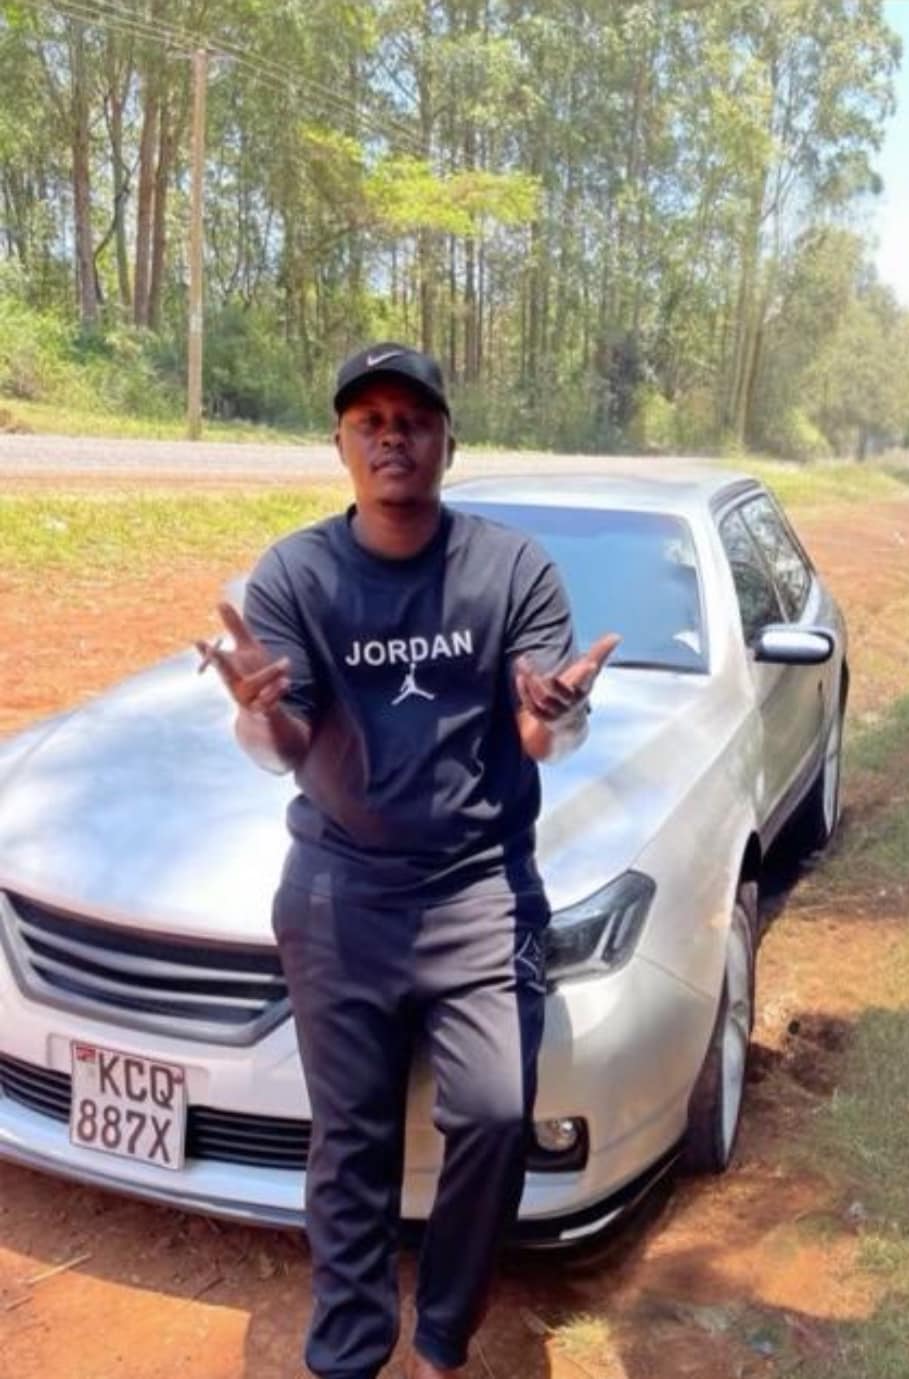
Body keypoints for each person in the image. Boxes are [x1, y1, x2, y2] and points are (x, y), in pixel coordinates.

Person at [194, 342, 618, 1379]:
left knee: (494, 1113)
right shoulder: (297, 574)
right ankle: (346, 1352)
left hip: (479, 886)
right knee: (351, 1138)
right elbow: (284, 745)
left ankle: (440, 1340)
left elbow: (542, 734)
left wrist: (558, 714)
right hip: (339, 888)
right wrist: (254, 711)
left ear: (447, 442)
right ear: (340, 444)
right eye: (370, 421)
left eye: (414, 420)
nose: (393, 437)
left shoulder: (510, 569)